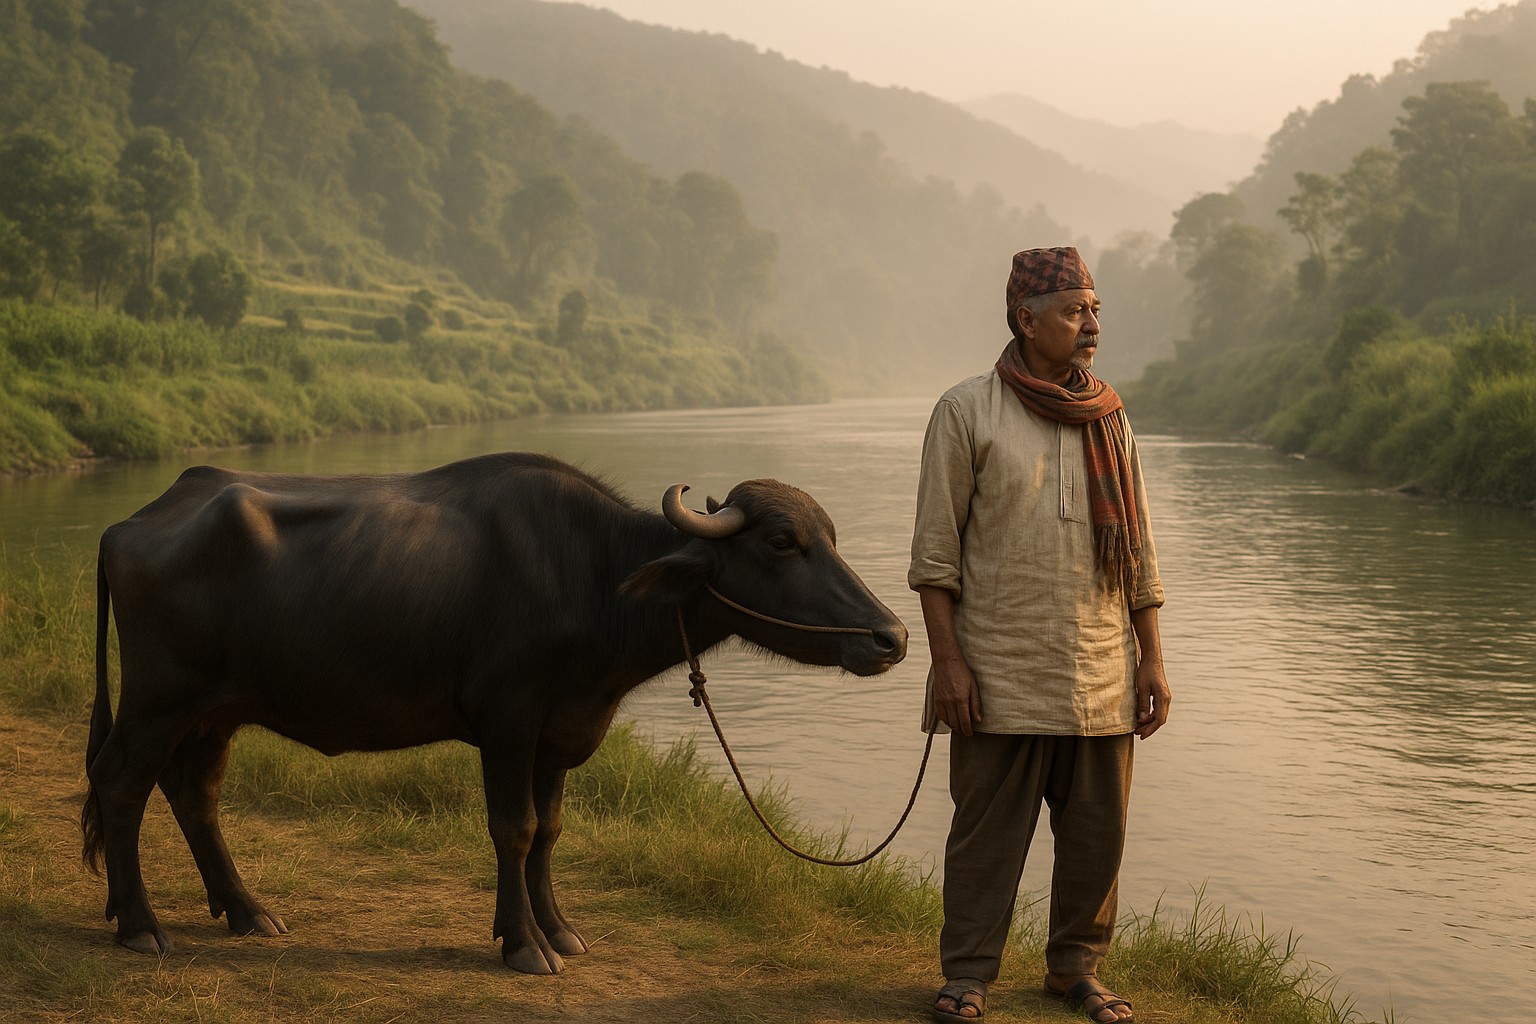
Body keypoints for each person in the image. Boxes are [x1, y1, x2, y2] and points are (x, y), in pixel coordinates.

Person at [908, 246, 1170, 1024]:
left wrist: (1151, 659)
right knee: (984, 839)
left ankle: (1075, 971)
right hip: (997, 669)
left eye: (1094, 309)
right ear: (1026, 320)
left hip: (1099, 673)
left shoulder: (1110, 414)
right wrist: (948, 665)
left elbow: (1142, 555)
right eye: (1072, 310)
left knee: (1096, 840)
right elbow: (934, 557)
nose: (1091, 324)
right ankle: (968, 973)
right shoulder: (966, 410)